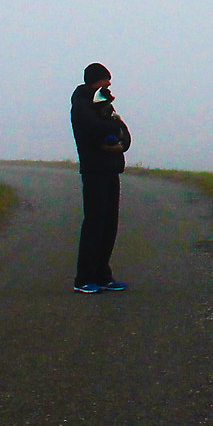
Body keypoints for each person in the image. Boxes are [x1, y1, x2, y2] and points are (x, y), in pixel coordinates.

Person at [69, 62, 130, 293]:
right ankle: (84, 279)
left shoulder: (104, 106)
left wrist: (118, 139)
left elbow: (123, 132)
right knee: (94, 224)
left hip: (111, 170)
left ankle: (103, 275)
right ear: (95, 81)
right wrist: (111, 133)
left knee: (109, 225)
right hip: (94, 170)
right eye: (106, 80)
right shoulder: (82, 105)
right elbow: (97, 129)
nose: (109, 84)